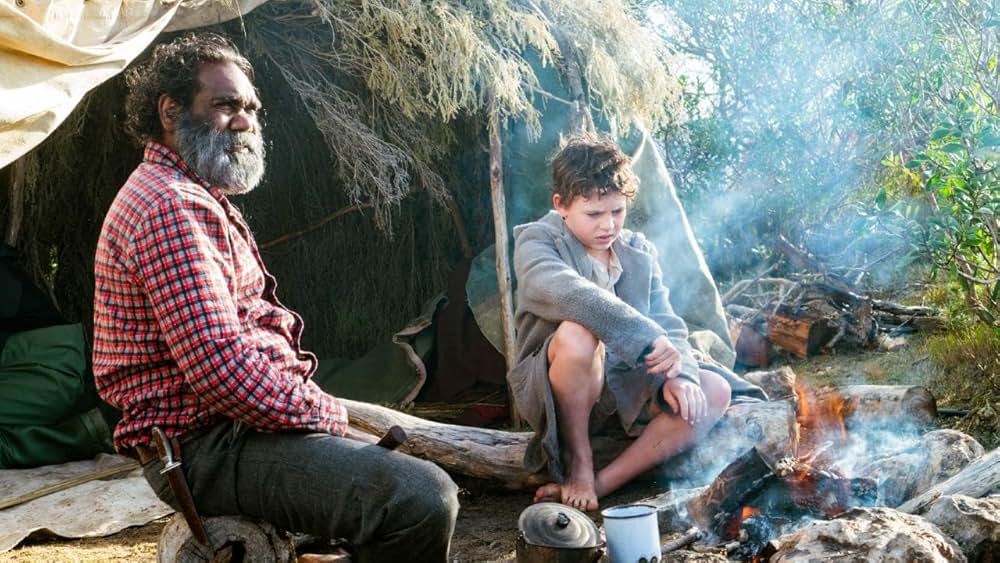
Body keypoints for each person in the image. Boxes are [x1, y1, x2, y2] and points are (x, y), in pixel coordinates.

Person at [92, 33, 458, 561]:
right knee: (421, 497)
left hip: (231, 431)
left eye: (251, 108)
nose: (245, 121)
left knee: (396, 482)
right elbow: (222, 371)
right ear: (170, 112)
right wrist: (327, 414)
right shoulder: (168, 206)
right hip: (205, 448)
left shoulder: (190, 194)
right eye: (224, 106)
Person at [509, 133, 733, 511]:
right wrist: (645, 338)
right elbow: (569, 293)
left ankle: (603, 483)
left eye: (617, 211)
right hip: (559, 388)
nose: (608, 225)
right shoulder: (537, 241)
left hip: (626, 387)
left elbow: (667, 322)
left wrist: (680, 374)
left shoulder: (638, 250)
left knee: (714, 390)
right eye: (594, 214)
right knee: (579, 332)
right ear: (561, 205)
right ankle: (579, 462)